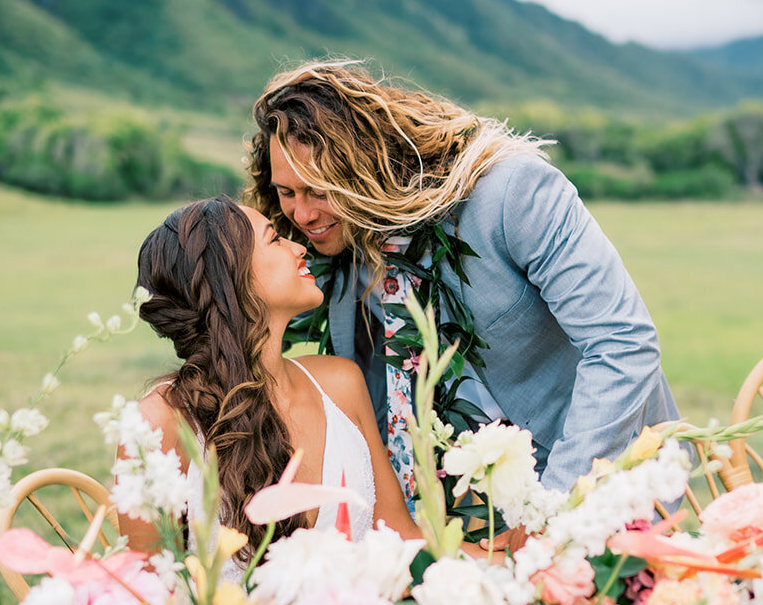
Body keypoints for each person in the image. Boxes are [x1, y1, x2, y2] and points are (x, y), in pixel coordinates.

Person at [246, 62, 678, 513]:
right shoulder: (330, 245)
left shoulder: (513, 193)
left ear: (366, 167)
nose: (302, 214)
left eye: (318, 189)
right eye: (287, 192)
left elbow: (622, 343)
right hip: (449, 515)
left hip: (594, 483)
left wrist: (552, 513)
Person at [125, 194, 422, 556]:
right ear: (231, 280)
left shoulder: (341, 383)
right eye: (275, 239)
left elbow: (402, 538)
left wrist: (503, 559)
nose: (299, 247)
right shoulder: (161, 423)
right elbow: (146, 594)